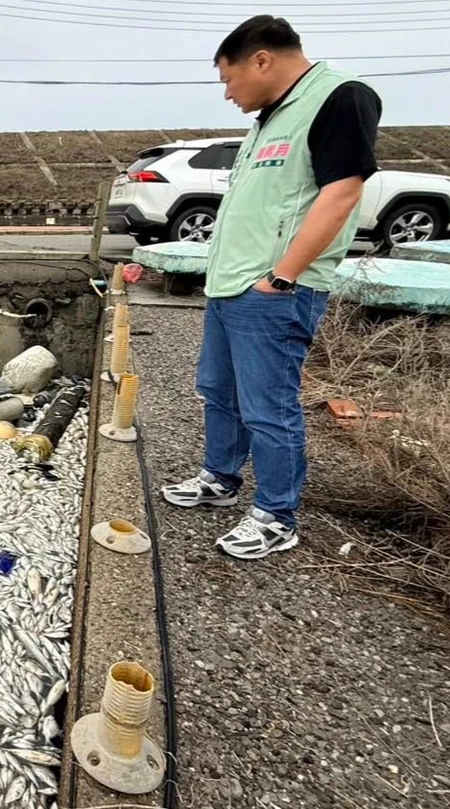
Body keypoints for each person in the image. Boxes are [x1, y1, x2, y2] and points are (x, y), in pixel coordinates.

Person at [160, 15, 382, 560]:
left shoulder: (340, 98)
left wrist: (280, 276)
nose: (229, 94)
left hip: (277, 290)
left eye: (229, 80)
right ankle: (220, 479)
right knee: (219, 391)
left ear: (261, 60)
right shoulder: (267, 120)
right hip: (231, 285)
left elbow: (342, 193)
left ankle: (276, 515)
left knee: (269, 406)